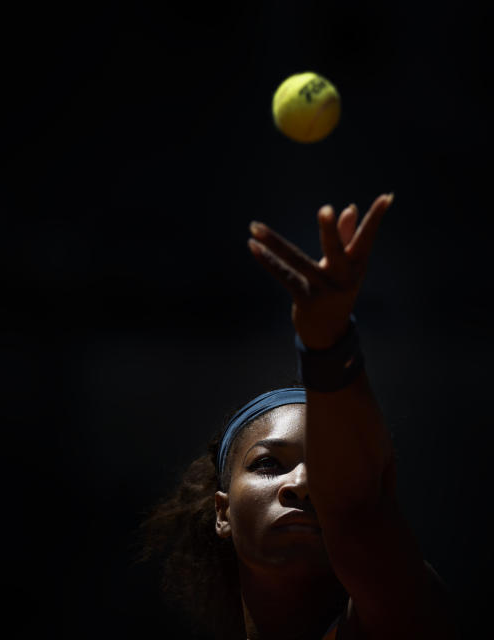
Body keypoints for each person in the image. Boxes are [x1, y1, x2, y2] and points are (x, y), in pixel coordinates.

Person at [138, 194, 456, 639]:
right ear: (222, 512)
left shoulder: (407, 613)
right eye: (269, 463)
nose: (305, 483)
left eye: (327, 470)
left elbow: (360, 514)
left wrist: (328, 343)